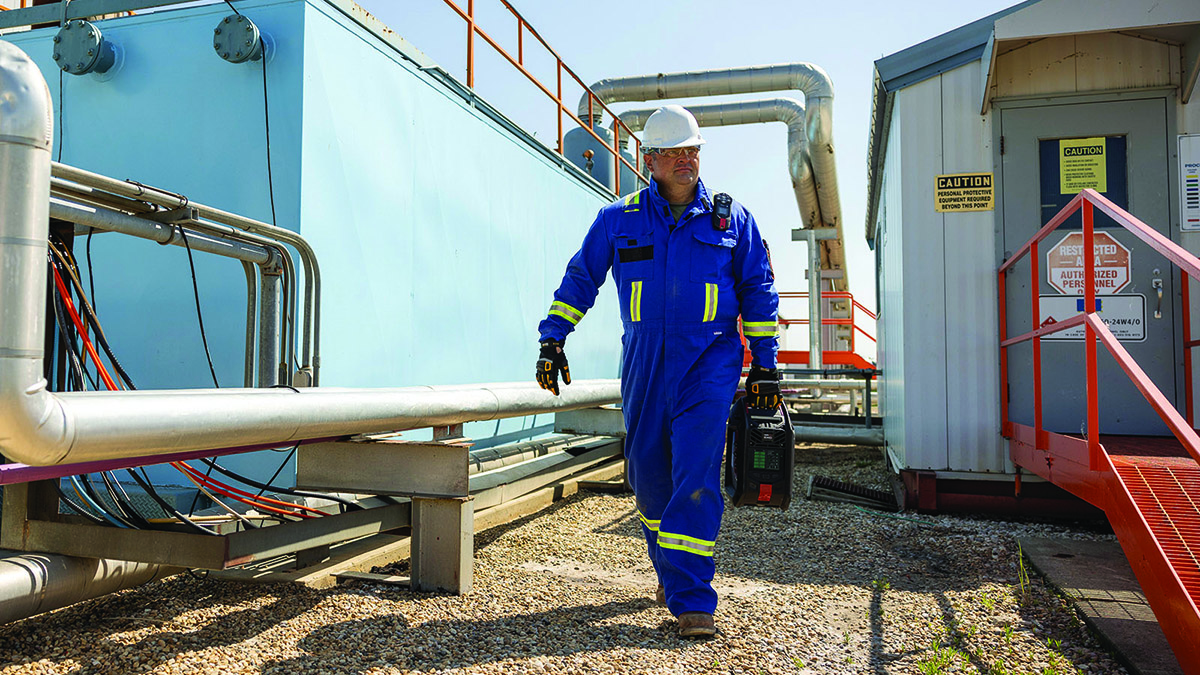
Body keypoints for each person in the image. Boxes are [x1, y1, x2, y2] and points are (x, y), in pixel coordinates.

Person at [534, 104, 781, 638]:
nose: (687, 160)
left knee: (695, 475)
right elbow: (582, 277)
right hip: (645, 361)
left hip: (708, 360)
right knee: (648, 479)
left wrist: (765, 367)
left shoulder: (731, 219)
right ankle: (670, 569)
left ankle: (692, 598)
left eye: (692, 151)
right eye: (675, 152)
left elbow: (757, 290)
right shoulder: (618, 220)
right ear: (651, 160)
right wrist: (553, 337)